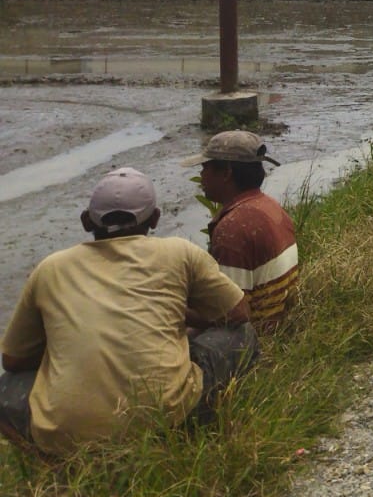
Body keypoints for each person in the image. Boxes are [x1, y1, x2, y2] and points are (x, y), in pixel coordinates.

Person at [0, 168, 257, 456]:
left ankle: (49, 462)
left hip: (66, 434)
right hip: (166, 417)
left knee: (6, 387)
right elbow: (238, 313)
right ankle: (195, 433)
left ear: (86, 221)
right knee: (243, 335)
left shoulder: (50, 268)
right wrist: (187, 320)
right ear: (156, 219)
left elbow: (12, 359)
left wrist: (62, 351)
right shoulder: (180, 252)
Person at [184, 131, 300, 332]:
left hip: (257, 337)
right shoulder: (268, 205)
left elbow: (232, 316)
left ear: (227, 173)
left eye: (206, 168)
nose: (201, 175)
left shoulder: (233, 228)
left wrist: (174, 311)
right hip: (279, 322)